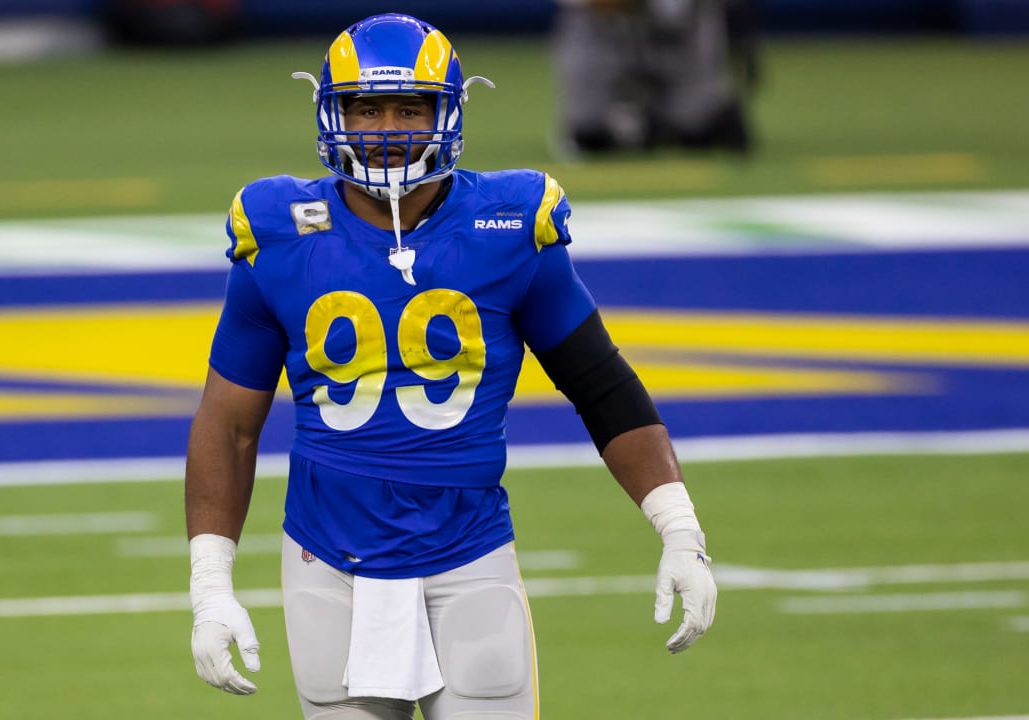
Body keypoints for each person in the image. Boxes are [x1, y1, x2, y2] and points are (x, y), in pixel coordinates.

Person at [185, 13, 718, 719]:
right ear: (333, 115)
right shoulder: (280, 230)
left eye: (410, 109)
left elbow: (602, 386)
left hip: (470, 553)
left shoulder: (509, 226)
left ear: (449, 114)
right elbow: (228, 425)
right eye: (366, 109)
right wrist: (209, 584)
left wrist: (679, 528)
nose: (387, 129)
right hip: (326, 558)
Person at [552, 0, 754, 156]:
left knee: (698, 128)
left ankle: (657, 122)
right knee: (589, 132)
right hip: (606, 29)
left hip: (683, 30)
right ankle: (634, 124)